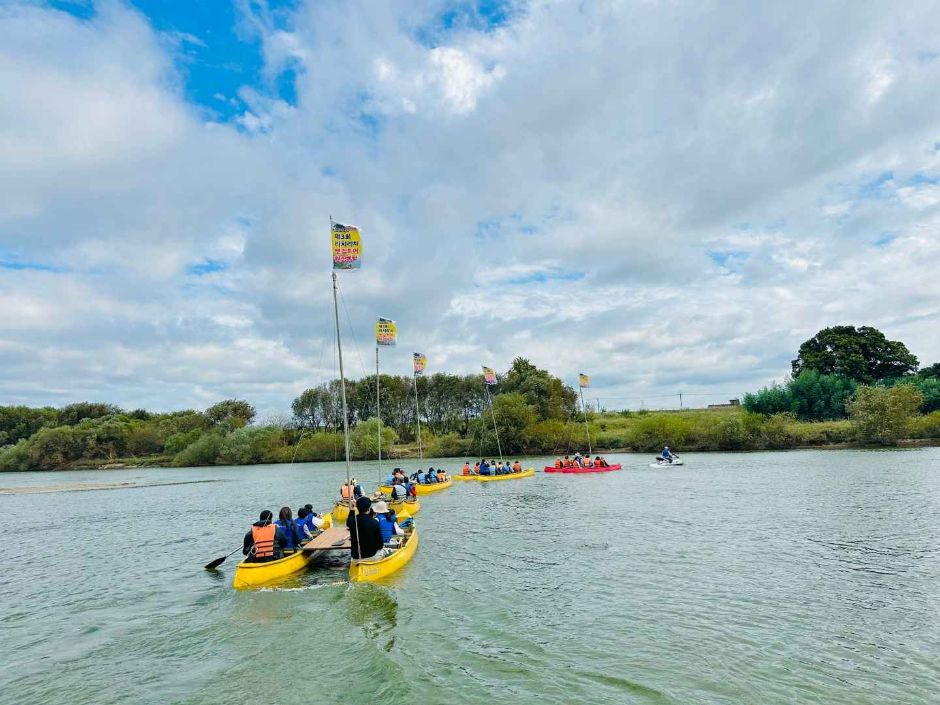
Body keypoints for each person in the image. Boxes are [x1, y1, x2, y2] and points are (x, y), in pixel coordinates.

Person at [346, 496, 386, 560]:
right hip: (371, 555)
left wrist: (352, 509)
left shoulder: (352, 521)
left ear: (357, 508)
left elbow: (349, 520)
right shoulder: (374, 522)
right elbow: (380, 544)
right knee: (383, 551)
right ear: (369, 508)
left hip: (356, 557)